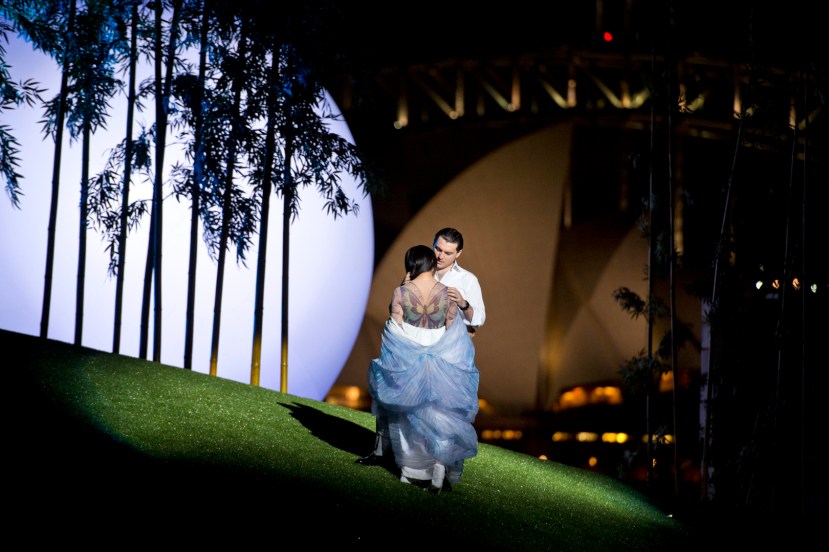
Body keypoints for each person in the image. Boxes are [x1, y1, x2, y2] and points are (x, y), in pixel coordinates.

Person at [358, 244, 480, 493]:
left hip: (408, 350)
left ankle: (412, 470)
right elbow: (451, 328)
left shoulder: (401, 292)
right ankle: (438, 469)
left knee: (407, 412)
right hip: (439, 351)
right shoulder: (448, 294)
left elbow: (395, 325)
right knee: (437, 411)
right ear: (432, 264)